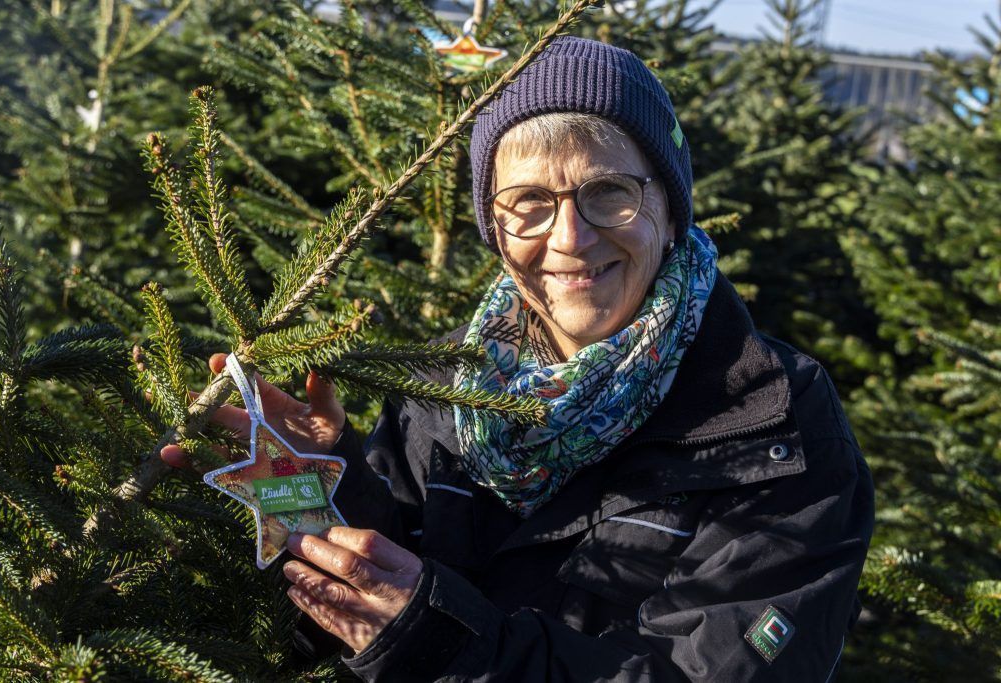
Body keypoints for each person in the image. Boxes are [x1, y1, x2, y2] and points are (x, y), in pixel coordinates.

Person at [163, 36, 873, 682]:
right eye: (529, 201)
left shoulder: (770, 422)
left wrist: (442, 642)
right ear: (492, 223)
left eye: (609, 193)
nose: (569, 237)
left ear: (668, 202)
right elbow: (379, 569)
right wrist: (320, 481)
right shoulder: (445, 385)